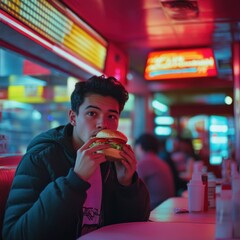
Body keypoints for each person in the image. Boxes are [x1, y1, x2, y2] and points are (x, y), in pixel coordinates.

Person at [2, 75, 150, 240]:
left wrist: (127, 185)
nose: (103, 124)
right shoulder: (40, 157)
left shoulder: (112, 162)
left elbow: (134, 227)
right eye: (92, 113)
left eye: (111, 116)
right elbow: (15, 235)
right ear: (73, 118)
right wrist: (75, 180)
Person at [134, 133, 175, 210]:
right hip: (166, 206)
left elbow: (133, 190)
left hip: (155, 209)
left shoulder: (144, 163)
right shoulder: (162, 162)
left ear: (139, 147)